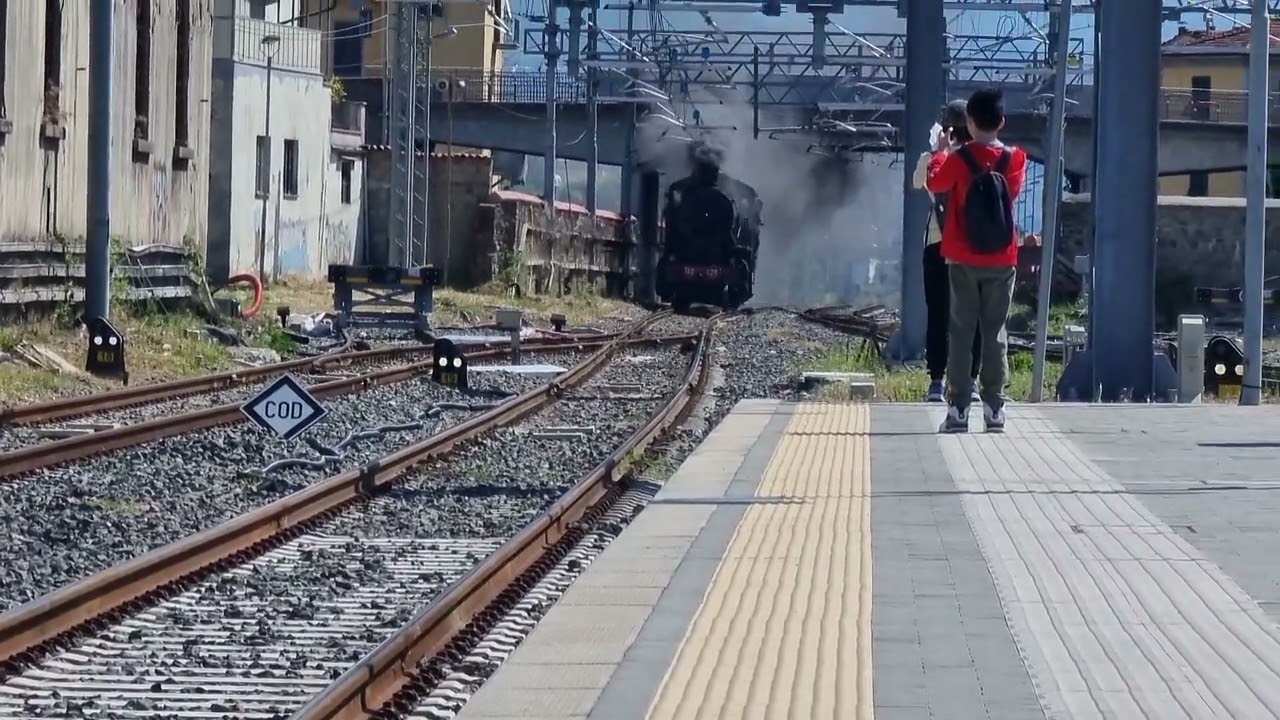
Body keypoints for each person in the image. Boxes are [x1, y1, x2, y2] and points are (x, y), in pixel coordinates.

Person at [925, 88, 1027, 433]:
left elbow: (936, 182)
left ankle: (958, 411)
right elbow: (1010, 196)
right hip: (1002, 258)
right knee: (995, 332)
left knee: (961, 332)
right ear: (1002, 121)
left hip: (962, 257)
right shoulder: (1015, 159)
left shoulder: (958, 159)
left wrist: (941, 153)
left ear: (968, 122)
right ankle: (995, 409)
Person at [912, 100, 981, 403]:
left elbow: (919, 182)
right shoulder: (980, 158)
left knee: (938, 315)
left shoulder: (932, 159)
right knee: (973, 316)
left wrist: (938, 151)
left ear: (947, 129)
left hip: (937, 245)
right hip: (972, 247)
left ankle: (936, 382)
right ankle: (971, 381)